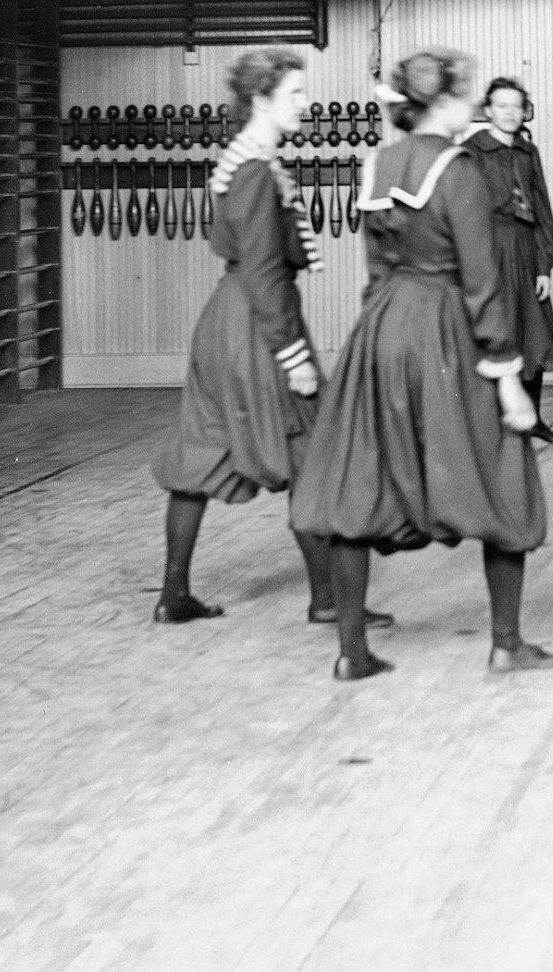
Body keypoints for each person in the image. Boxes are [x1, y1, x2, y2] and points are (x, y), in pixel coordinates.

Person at [290, 48, 553, 682]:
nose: (472, 99)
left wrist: (378, 331)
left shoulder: (379, 163)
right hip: (447, 330)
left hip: (383, 327)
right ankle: (506, 642)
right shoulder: (459, 168)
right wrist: (506, 373)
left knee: (360, 481)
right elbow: (482, 281)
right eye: (464, 90)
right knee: (504, 471)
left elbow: (377, 268)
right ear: (444, 101)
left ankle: (352, 651)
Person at [149, 47, 389, 629]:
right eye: (295, 96)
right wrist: (293, 354)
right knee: (311, 453)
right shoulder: (256, 171)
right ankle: (328, 599)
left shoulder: (244, 160)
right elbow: (263, 272)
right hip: (258, 324)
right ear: (261, 100)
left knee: (201, 453)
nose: (305, 105)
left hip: (225, 323)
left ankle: (173, 595)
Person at [463, 77, 553, 444]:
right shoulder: (472, 151)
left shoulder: (528, 151)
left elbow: (542, 210)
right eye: (501, 105)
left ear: (524, 112)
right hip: (490, 249)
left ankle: (534, 419)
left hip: (525, 249)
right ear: (488, 110)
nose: (509, 113)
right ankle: (492, 425)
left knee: (532, 333)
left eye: (516, 106)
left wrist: (544, 265)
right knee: (497, 330)